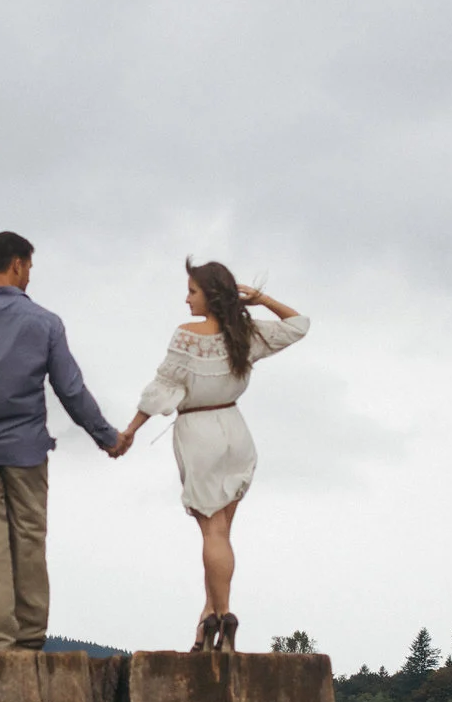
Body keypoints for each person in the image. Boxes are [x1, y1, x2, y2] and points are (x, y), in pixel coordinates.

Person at [0, 231, 128, 650]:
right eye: (30, 267)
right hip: (27, 451)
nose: (30, 276)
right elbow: (70, 389)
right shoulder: (46, 323)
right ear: (17, 264)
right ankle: (31, 642)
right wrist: (107, 437)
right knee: (29, 543)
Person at [113, 260, 308, 652]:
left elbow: (160, 389)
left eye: (192, 291)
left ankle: (224, 614)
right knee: (221, 538)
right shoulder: (244, 333)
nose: (186, 299)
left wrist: (130, 430)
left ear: (210, 296)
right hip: (235, 431)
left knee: (212, 535)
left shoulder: (187, 336)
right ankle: (208, 622)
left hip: (199, 433)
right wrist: (260, 299)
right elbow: (298, 324)